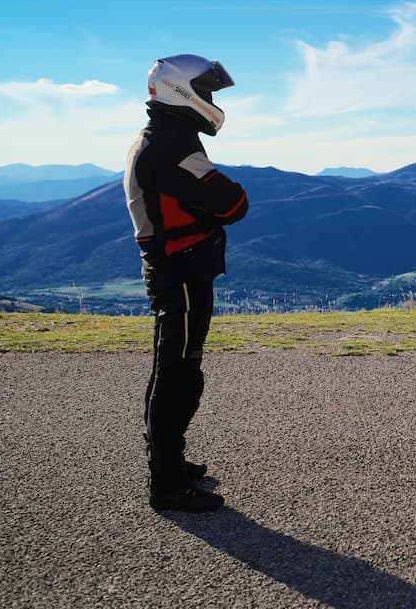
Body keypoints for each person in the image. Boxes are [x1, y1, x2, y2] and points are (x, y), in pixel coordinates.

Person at [123, 55, 249, 512]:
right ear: (182, 91)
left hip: (178, 266)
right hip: (180, 271)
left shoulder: (162, 137)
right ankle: (167, 484)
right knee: (179, 372)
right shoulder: (172, 147)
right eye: (207, 91)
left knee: (175, 368)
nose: (212, 100)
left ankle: (169, 459)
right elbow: (233, 203)